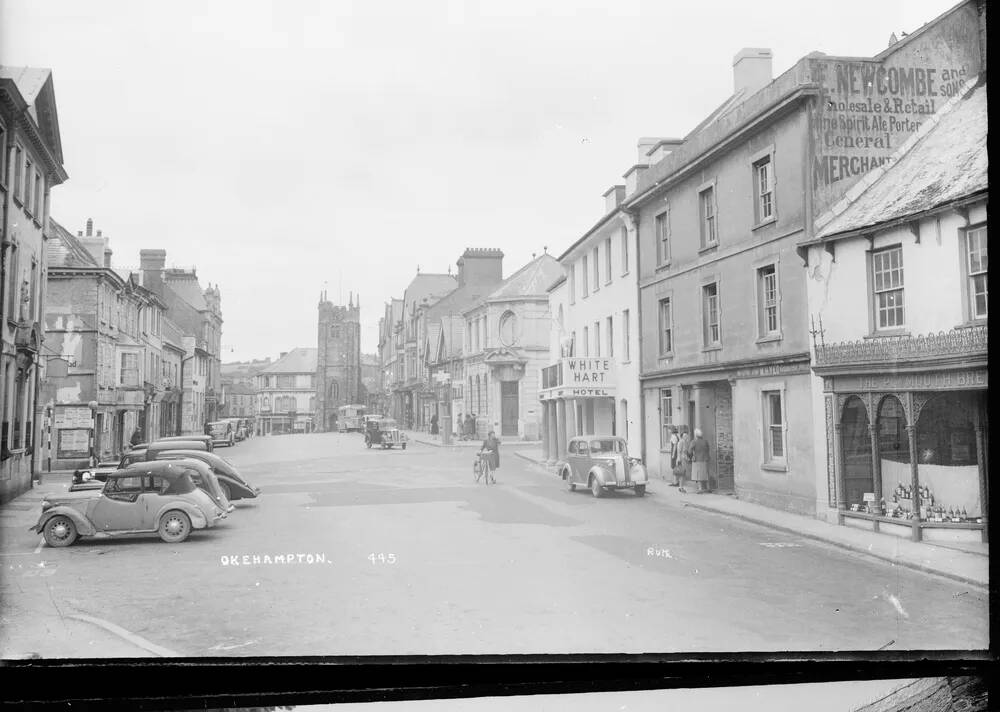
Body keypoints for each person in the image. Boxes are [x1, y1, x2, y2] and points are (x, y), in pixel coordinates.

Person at [689, 427, 711, 494]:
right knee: (706, 473)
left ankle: (700, 488)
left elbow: (689, 451)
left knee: (698, 474)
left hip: (697, 459)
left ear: (695, 434)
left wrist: (693, 454)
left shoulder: (694, 441)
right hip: (706, 459)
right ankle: (708, 488)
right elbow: (708, 449)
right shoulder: (705, 441)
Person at [675, 426, 691, 493]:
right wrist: (679, 459)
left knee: (683, 474)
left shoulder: (685, 442)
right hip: (681, 459)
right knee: (682, 474)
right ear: (682, 436)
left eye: (686, 436)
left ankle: (681, 487)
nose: (686, 437)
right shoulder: (681, 442)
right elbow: (679, 451)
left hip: (684, 459)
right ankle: (681, 487)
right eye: (685, 436)